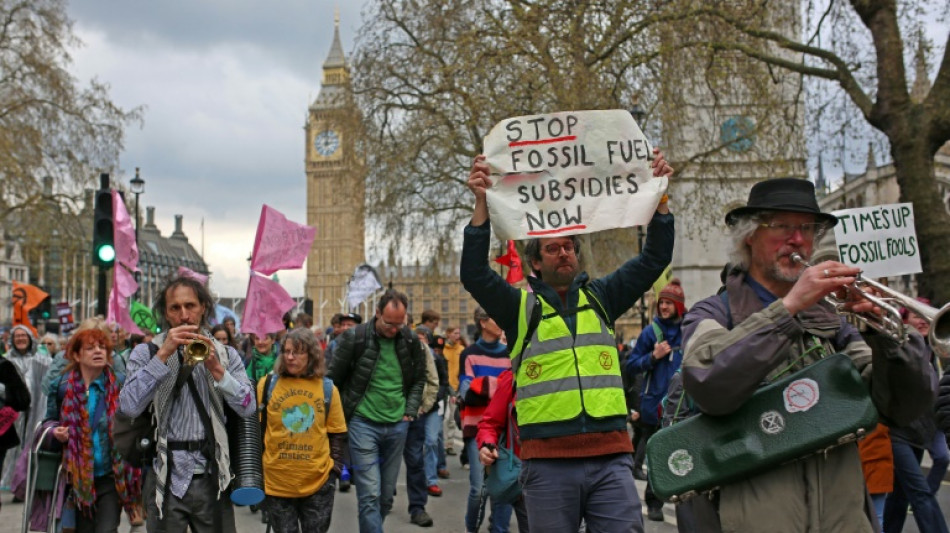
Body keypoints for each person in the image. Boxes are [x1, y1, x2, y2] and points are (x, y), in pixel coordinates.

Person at [680, 177, 935, 531]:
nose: (797, 239)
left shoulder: (833, 320)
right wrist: (788, 309)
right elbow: (709, 383)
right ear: (749, 236)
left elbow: (901, 407)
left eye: (806, 228)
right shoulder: (711, 313)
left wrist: (887, 337)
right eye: (782, 226)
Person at [461, 150, 674, 533]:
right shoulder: (519, 309)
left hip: (611, 458)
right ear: (535, 264)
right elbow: (474, 273)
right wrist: (481, 204)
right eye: (554, 248)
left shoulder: (602, 297)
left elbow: (654, 257)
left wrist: (659, 200)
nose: (565, 252)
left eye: (570, 247)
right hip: (547, 464)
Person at [119, 276, 256, 533]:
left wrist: (217, 371)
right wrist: (162, 356)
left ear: (203, 307)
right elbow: (129, 407)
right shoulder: (146, 353)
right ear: (166, 313)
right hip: (167, 476)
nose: (184, 315)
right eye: (175, 308)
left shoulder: (227, 354)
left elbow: (247, 407)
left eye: (190, 306)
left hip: (212, 476)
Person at [326, 289, 427, 533]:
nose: (394, 330)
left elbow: (418, 380)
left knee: (385, 498)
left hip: (398, 424)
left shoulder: (410, 340)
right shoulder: (354, 338)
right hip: (362, 424)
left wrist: (410, 410)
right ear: (377, 313)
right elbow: (332, 381)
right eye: (389, 323)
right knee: (369, 495)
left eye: (399, 324)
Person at [46, 328, 140, 533]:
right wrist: (55, 431)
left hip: (112, 476)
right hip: (77, 480)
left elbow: (136, 421)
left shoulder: (120, 383)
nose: (98, 351)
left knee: (106, 529)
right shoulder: (61, 386)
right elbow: (49, 422)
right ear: (77, 355)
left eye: (102, 347)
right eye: (90, 348)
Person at [259, 328, 346, 533]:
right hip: (277, 482)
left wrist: (333, 471)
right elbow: (256, 430)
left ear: (312, 355)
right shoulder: (267, 385)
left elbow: (337, 433)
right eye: (286, 351)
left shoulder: (327, 389)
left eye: (297, 352)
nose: (290, 357)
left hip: (318, 483)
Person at [881, 299, 949, 533]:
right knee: (920, 492)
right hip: (897, 429)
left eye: (924, 316)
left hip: (922, 430)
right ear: (904, 320)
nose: (922, 320)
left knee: (901, 495)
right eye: (915, 315)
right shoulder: (899, 347)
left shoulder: (934, 349)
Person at [625, 278, 686, 521]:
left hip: (683, 405)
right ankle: (654, 502)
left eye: (669, 303)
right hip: (655, 407)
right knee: (657, 455)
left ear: (679, 306)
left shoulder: (689, 330)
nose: (663, 307)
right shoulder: (651, 333)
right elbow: (630, 366)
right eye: (661, 302)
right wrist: (653, 356)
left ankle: (682, 497)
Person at [458, 308, 514, 533]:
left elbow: (515, 389)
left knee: (504, 487)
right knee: (479, 489)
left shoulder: (510, 353)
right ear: (482, 322)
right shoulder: (469, 354)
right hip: (476, 427)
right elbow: (466, 393)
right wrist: (501, 386)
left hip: (506, 429)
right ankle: (471, 528)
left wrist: (483, 384)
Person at [477, 368, 529, 533]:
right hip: (519, 474)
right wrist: (487, 445)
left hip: (571, 476)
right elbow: (490, 423)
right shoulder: (514, 375)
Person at [1, 325, 52, 488]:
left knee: (32, 444)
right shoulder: (6, 361)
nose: (21, 339)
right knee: (12, 449)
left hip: (36, 408)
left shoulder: (42, 360)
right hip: (12, 414)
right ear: (12, 340)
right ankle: (11, 481)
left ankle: (28, 481)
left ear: (30, 338)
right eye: (17, 336)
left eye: (24, 335)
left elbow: (48, 385)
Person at [401, 326, 440, 527]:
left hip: (414, 415)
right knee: (382, 461)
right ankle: (381, 500)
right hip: (384, 415)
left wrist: (424, 406)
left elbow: (432, 379)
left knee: (415, 461)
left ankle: (417, 507)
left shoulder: (421, 348)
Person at [442, 326, 465, 459]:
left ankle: (449, 444)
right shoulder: (443, 350)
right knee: (444, 417)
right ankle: (443, 442)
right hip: (444, 387)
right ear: (448, 334)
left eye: (459, 333)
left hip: (455, 388)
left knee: (451, 418)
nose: (457, 335)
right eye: (455, 333)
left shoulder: (461, 350)